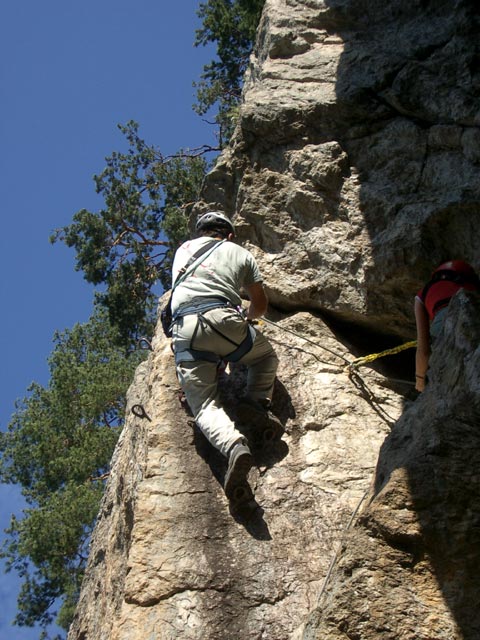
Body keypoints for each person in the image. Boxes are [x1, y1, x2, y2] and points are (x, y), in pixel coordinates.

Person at [170, 211, 279, 499]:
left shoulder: (182, 251)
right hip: (224, 319)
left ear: (200, 233)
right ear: (229, 235)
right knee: (265, 357)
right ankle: (254, 404)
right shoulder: (240, 252)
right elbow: (259, 304)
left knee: (204, 404)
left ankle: (234, 447)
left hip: (186, 330)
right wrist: (248, 317)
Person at [414, 259, 480, 392]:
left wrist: (420, 381)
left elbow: (423, 349)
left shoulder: (424, 292)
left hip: (442, 327)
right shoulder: (473, 288)